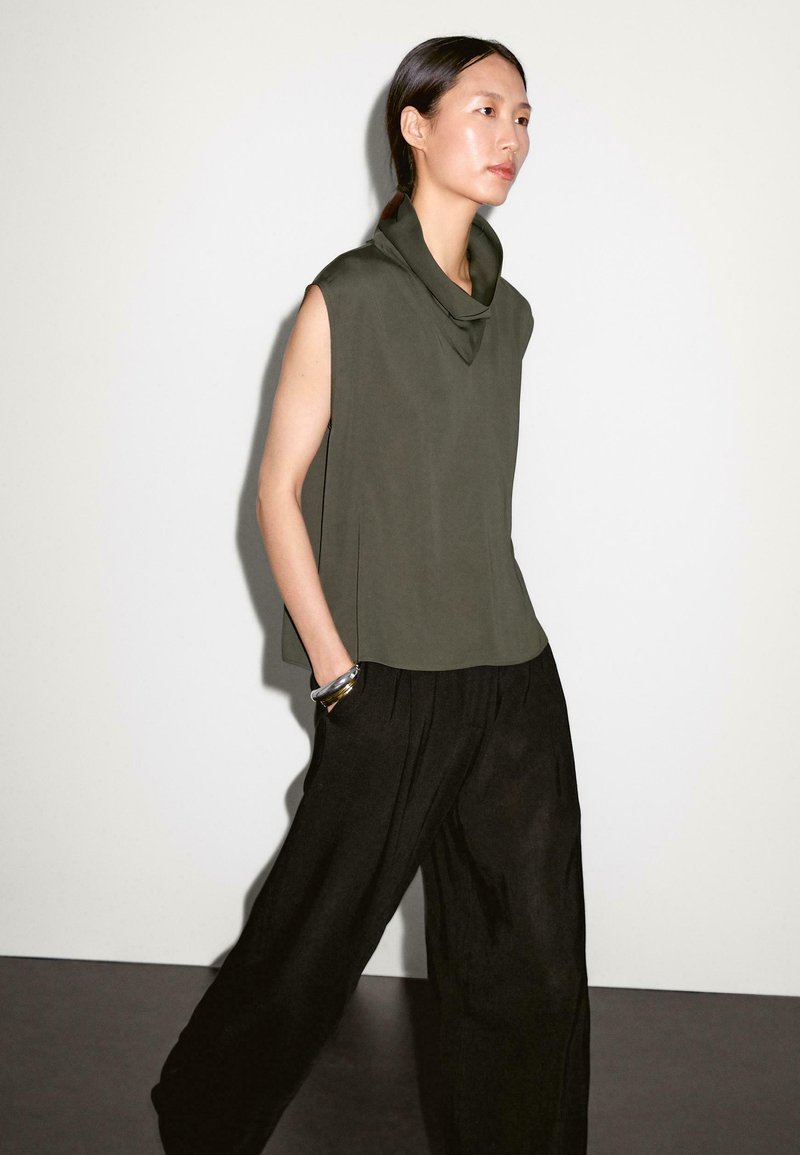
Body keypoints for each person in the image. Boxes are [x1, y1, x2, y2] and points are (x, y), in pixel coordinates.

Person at [150, 34, 590, 1155]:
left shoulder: (513, 316)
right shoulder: (344, 297)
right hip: (388, 675)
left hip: (511, 674)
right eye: (484, 109)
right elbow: (277, 490)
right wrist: (338, 672)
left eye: (523, 117)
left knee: (531, 959)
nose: (509, 136)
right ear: (414, 124)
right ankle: (199, 1116)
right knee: (309, 945)